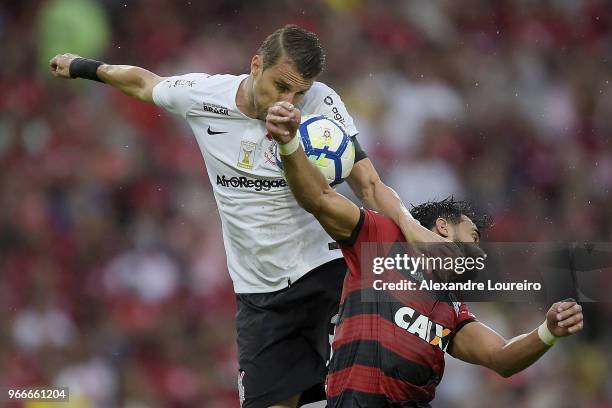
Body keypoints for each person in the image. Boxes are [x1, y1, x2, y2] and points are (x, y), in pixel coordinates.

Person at [49, 25, 458, 408]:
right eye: (281, 86)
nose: (290, 102)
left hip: (327, 272)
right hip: (260, 295)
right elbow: (143, 82)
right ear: (256, 65)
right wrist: (83, 67)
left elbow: (367, 183)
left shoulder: (321, 103)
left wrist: (414, 229)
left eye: (300, 93)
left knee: (364, 387)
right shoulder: (205, 95)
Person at [265, 100, 585, 407]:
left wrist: (547, 332)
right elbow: (319, 199)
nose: (478, 249)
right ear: (443, 227)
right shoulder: (383, 239)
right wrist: (290, 144)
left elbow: (501, 357)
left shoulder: (452, 310)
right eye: (472, 236)